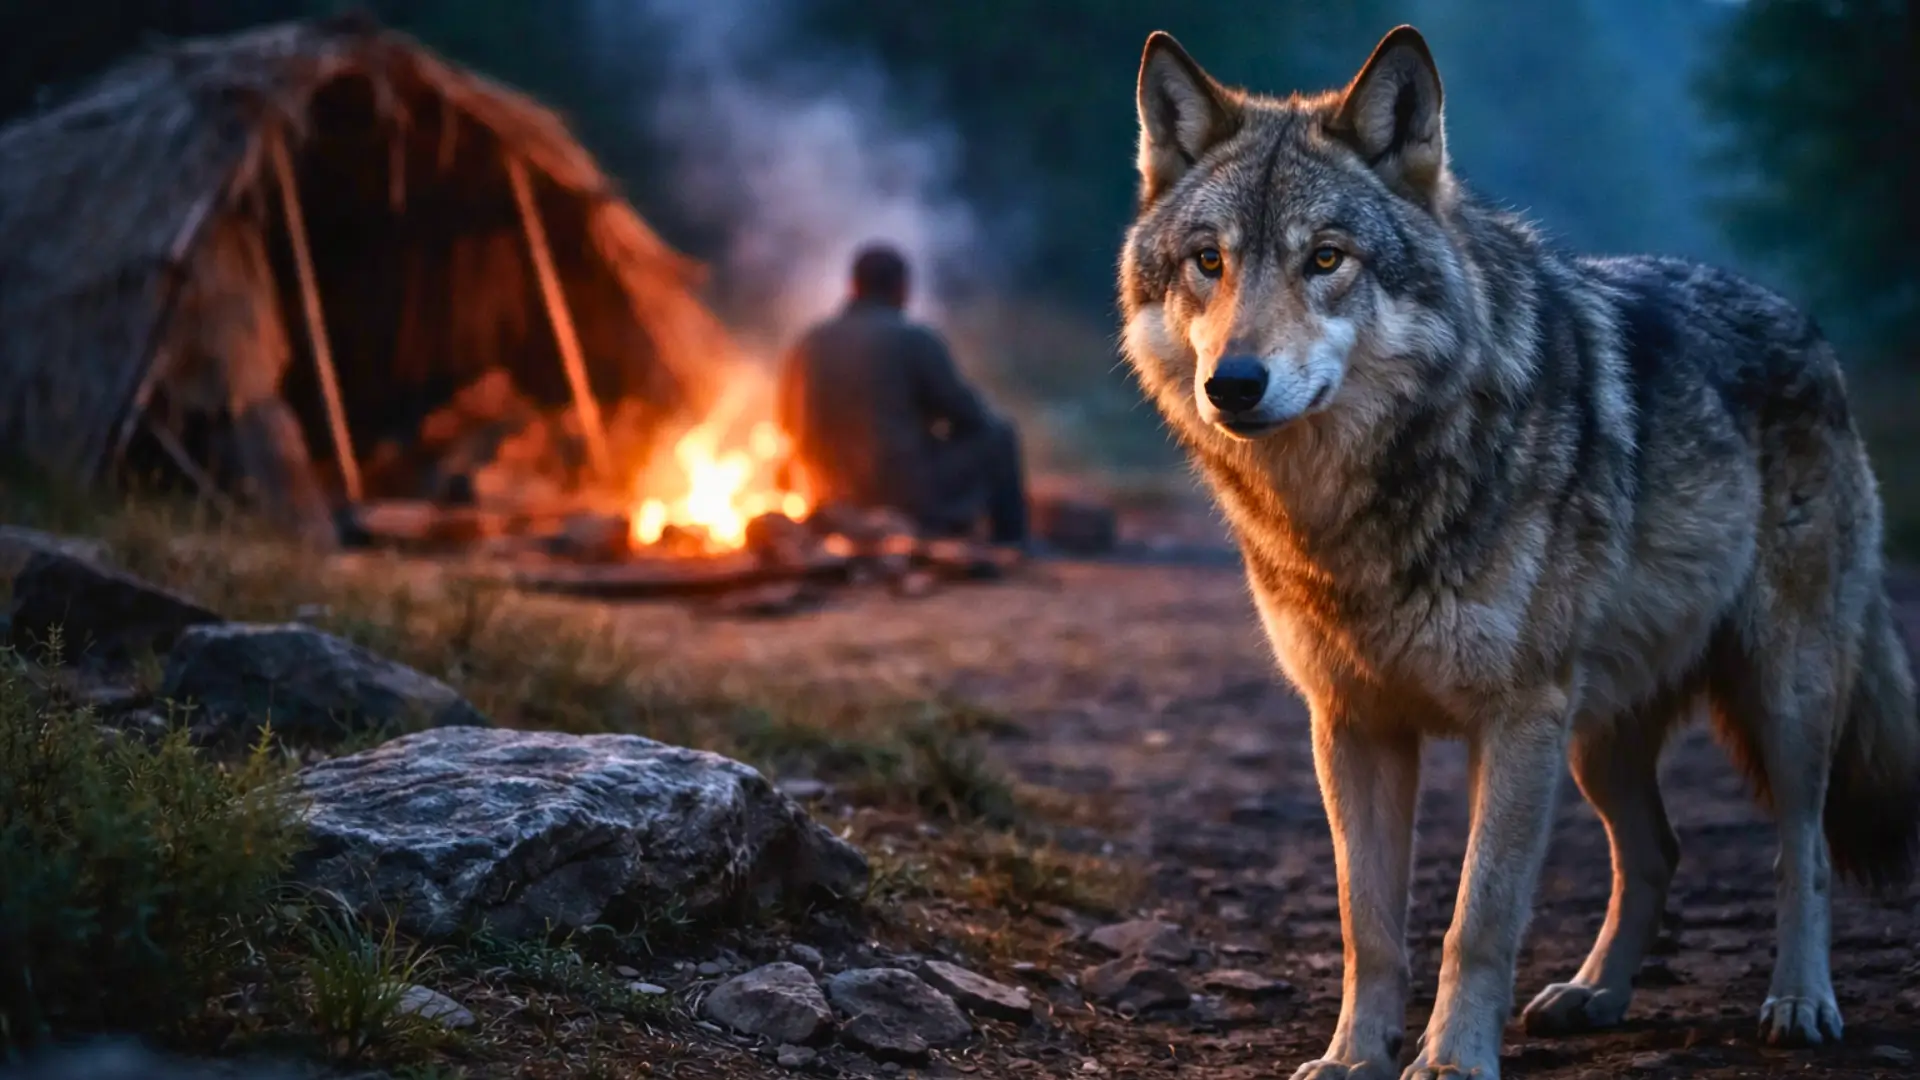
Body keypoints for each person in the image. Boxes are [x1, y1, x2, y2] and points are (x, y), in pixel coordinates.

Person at [776, 243, 1028, 546]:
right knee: (999, 433)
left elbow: (787, 424)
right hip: (900, 500)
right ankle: (1013, 542)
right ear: (902, 289)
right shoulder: (912, 338)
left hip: (825, 499)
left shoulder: (808, 342)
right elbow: (968, 415)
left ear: (852, 286)